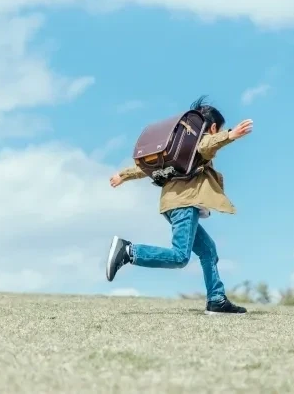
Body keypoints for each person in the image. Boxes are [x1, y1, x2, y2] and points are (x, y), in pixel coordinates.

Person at [105, 96, 253, 314]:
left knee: (208, 251)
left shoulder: (180, 148)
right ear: (213, 127)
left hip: (173, 204)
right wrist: (230, 135)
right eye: (218, 130)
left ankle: (216, 299)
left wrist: (122, 175)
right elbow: (207, 144)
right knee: (180, 256)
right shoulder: (199, 142)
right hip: (184, 204)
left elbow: (147, 166)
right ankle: (128, 251)